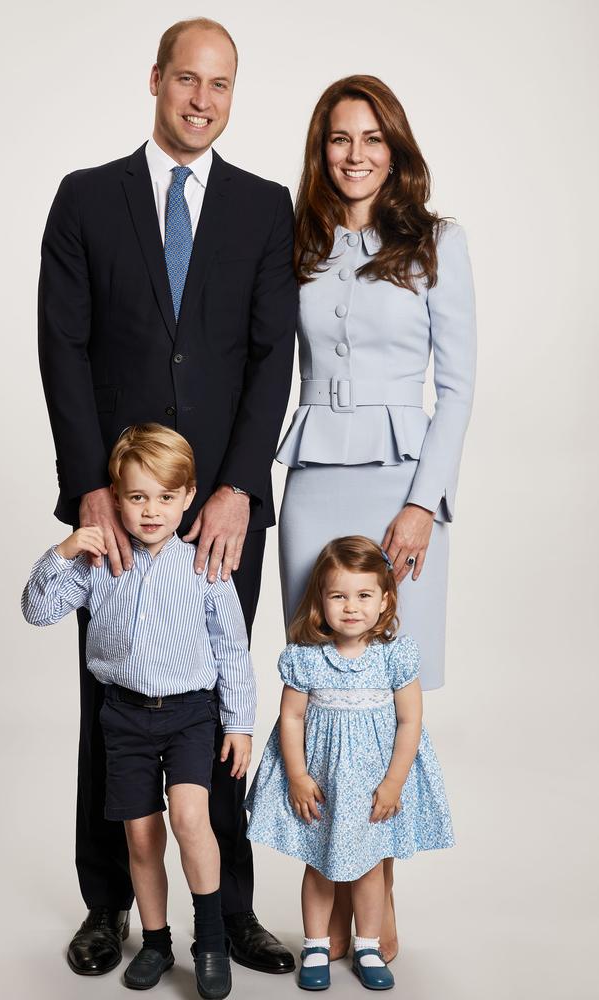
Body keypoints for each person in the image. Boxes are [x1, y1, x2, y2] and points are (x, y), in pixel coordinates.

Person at [37, 18, 297, 975]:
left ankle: (226, 908)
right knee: (110, 704)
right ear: (156, 80)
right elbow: (60, 348)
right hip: (120, 506)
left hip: (219, 515)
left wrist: (237, 487)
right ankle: (109, 902)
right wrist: (88, 494)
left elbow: (276, 357)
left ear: (234, 95)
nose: (202, 100)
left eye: (221, 85)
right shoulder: (86, 199)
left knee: (219, 706)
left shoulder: (266, 209)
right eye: (187, 79)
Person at [276, 75, 475, 960]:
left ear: (395, 148)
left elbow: (460, 385)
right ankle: (330, 911)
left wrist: (422, 503)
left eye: (371, 138)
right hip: (315, 477)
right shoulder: (298, 242)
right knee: (324, 697)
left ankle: (378, 896)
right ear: (322, 152)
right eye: (337, 139)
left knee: (388, 692)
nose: (354, 155)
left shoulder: (438, 242)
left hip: (402, 482)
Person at [23, 425, 256, 996]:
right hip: (123, 716)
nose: (151, 511)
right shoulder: (102, 563)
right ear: (117, 497)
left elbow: (233, 648)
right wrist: (64, 551)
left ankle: (211, 940)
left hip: (190, 715)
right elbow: (37, 610)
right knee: (142, 837)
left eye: (165, 497)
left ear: (188, 496)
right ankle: (155, 941)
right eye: (136, 497)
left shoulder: (204, 566)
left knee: (189, 819)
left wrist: (240, 723)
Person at [245, 536, 453, 990]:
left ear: (385, 600)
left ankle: (367, 944)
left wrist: (395, 782)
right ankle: (316, 944)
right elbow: (292, 718)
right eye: (338, 596)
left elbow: (410, 721)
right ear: (321, 601)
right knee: (318, 865)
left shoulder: (394, 655)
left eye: (363, 596)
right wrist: (297, 777)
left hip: (375, 785)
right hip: (323, 784)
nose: (351, 607)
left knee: (371, 866)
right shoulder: (306, 658)